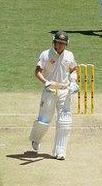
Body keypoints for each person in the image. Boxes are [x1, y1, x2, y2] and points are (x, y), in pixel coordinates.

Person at [29, 31, 79, 160]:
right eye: (59, 43)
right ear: (54, 42)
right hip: (50, 90)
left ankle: (60, 150)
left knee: (65, 120)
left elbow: (73, 69)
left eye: (63, 44)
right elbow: (37, 72)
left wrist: (73, 82)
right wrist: (46, 82)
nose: (61, 46)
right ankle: (36, 139)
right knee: (44, 121)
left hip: (64, 90)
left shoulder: (69, 55)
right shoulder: (46, 54)